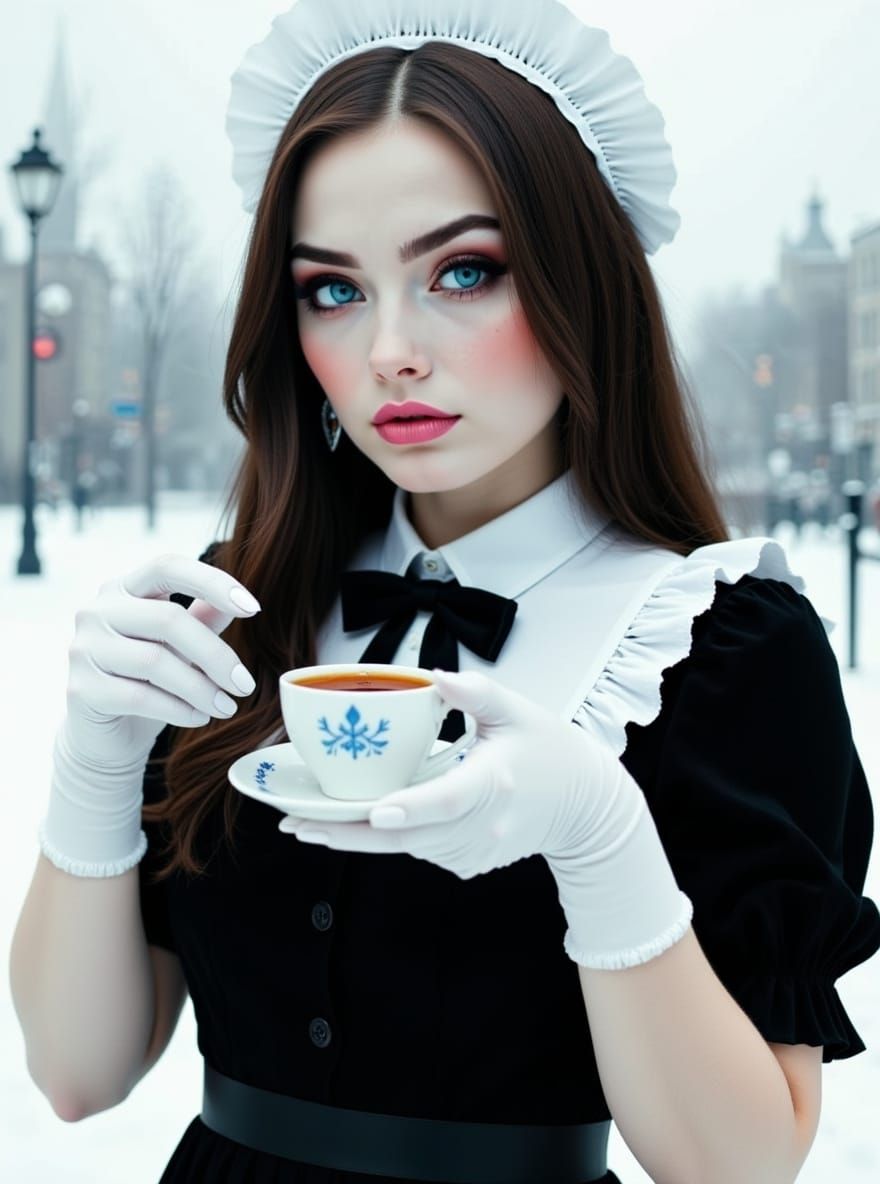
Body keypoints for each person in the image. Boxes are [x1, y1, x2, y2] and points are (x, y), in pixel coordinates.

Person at [10, 1, 880, 1181]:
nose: (390, 352)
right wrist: (95, 765)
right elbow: (76, 1072)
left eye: (463, 271)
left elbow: (741, 1162)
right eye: (332, 289)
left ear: (583, 282)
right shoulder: (233, 614)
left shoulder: (715, 644)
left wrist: (602, 839)